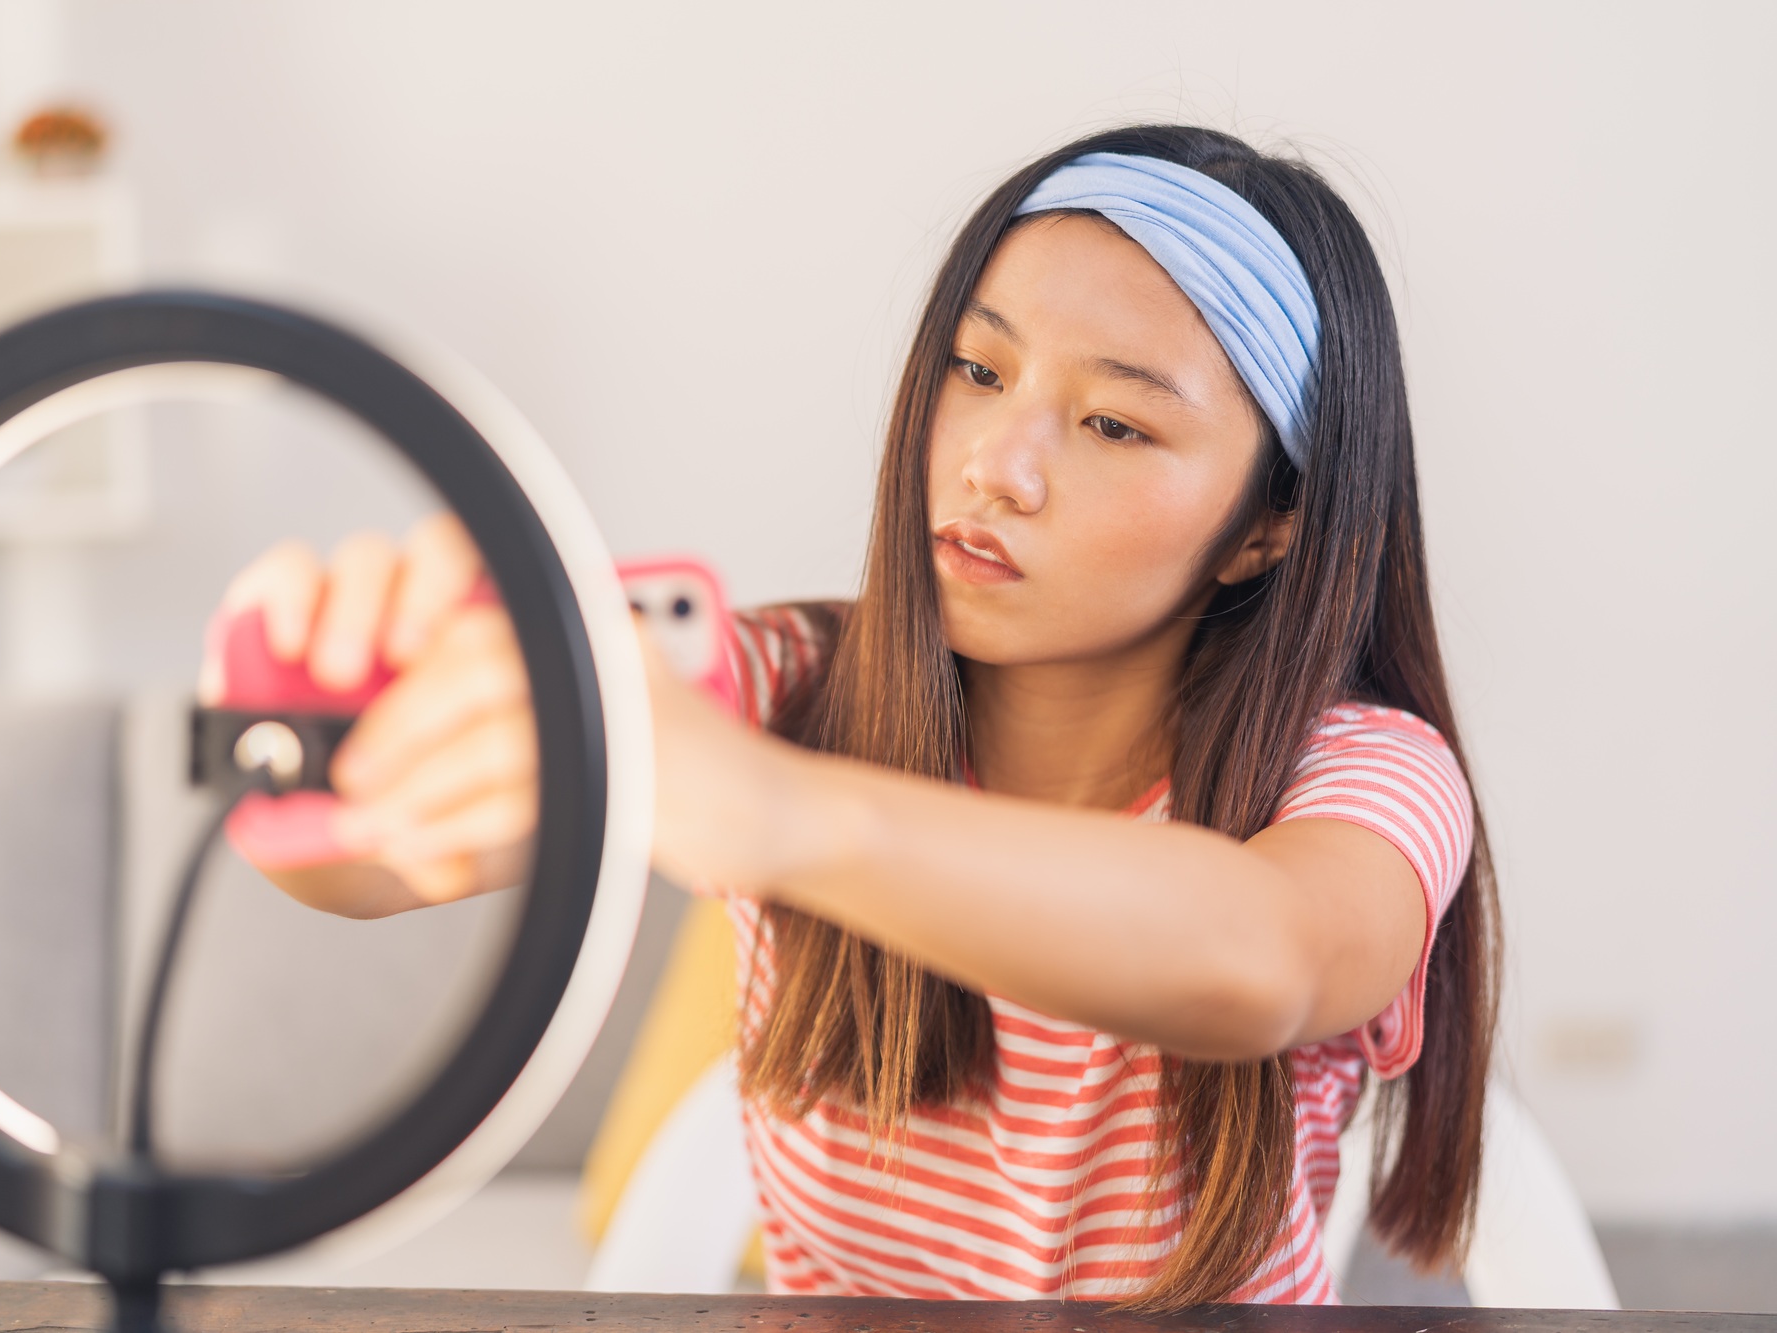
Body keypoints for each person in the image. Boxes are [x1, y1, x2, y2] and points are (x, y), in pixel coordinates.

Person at [203, 124, 1497, 1307]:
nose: (1000, 462)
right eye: (976, 368)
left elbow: (1262, 958)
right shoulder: (790, 683)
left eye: (1112, 421)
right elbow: (366, 864)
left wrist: (775, 812)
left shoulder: (1369, 772)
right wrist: (312, 739)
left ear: (1269, 524)